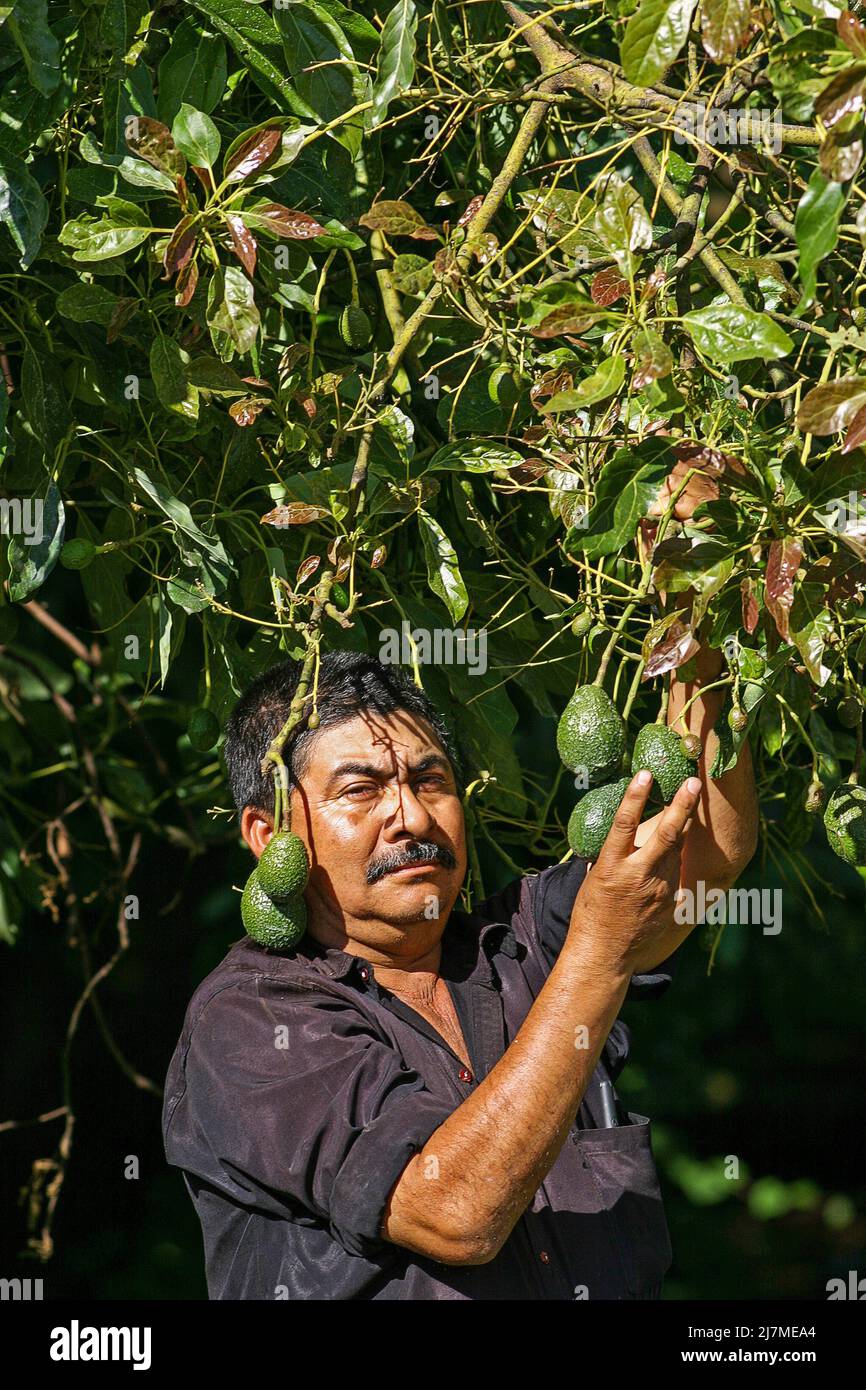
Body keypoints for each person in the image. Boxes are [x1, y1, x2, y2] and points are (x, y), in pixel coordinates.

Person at [162, 634, 758, 1299]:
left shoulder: (522, 941)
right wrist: (599, 956)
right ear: (269, 836)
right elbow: (454, 1213)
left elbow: (703, 852)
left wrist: (698, 631)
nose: (412, 816)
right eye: (360, 791)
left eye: (430, 780)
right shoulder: (250, 1019)